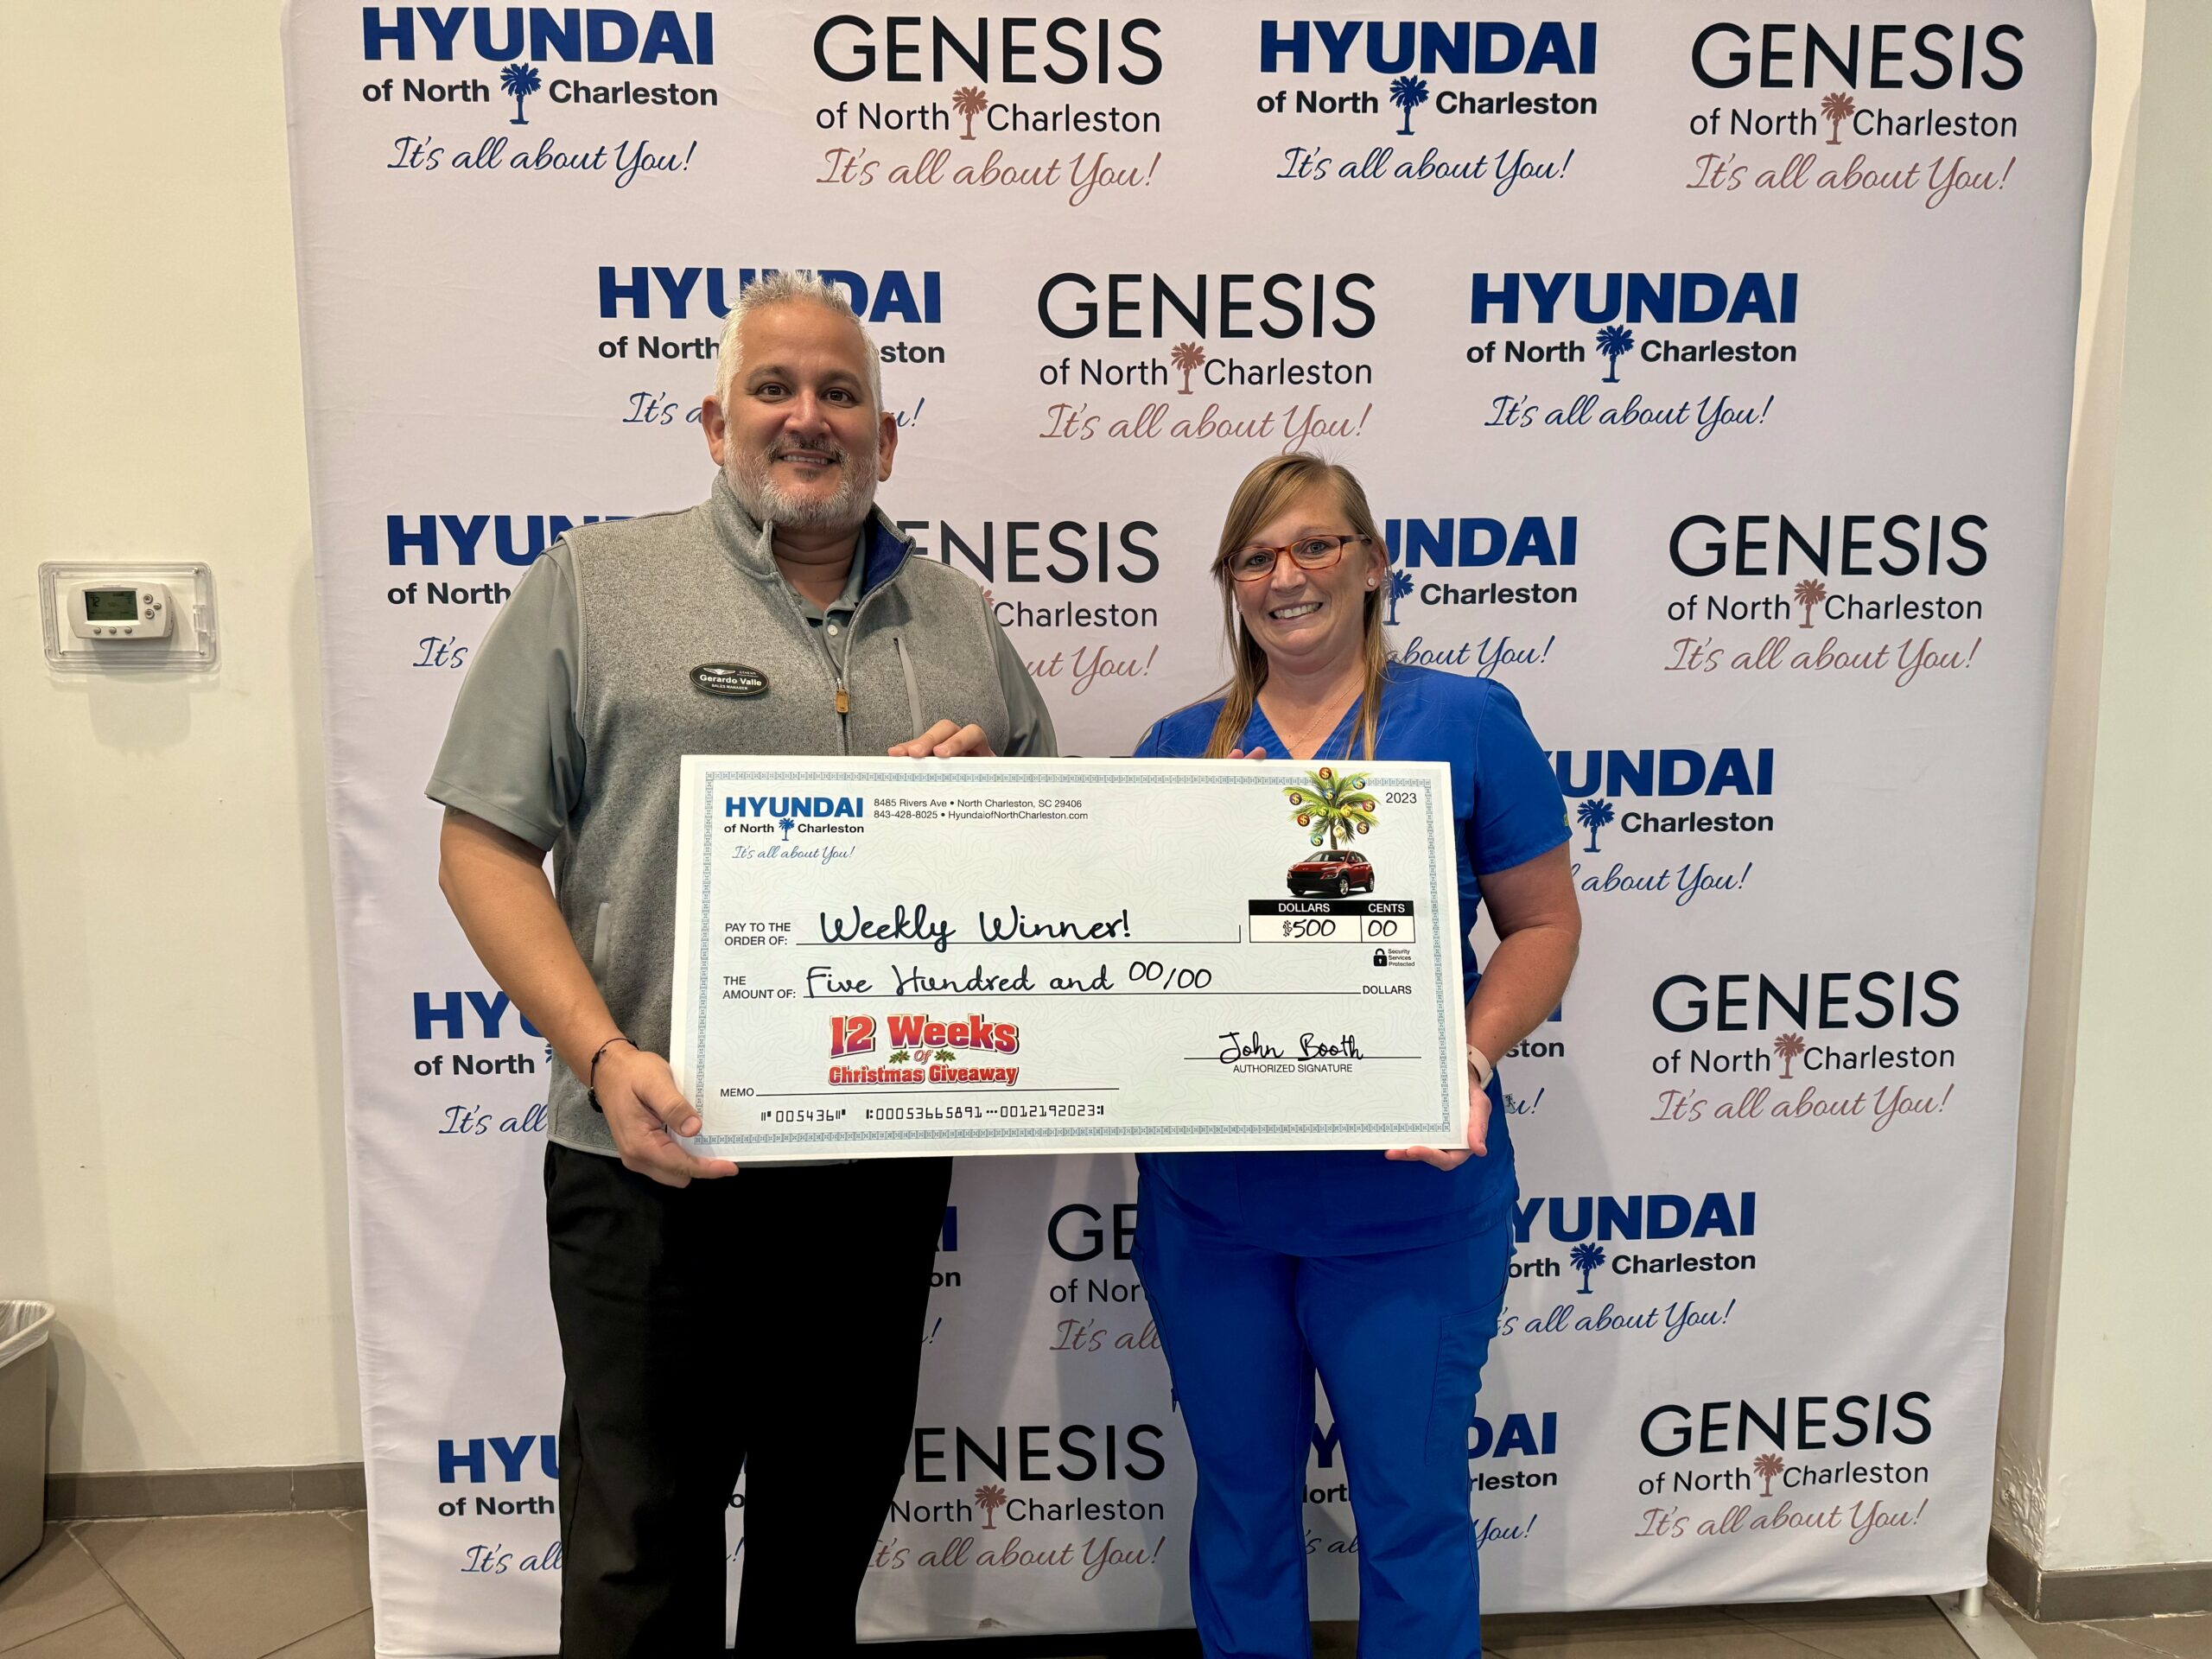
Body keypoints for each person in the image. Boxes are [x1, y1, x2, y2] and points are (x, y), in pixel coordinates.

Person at [428, 270, 1056, 1656]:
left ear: (886, 438)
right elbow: (482, 848)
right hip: (652, 1159)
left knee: (823, 1535)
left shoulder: (961, 621)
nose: (807, 416)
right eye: (774, 388)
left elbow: (1052, 873)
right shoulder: (594, 586)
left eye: (841, 392)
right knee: (639, 1546)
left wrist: (989, 806)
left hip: (874, 1171)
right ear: (717, 423)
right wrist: (602, 1055)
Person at [1129, 453, 1580, 1658]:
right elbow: (1123, 962)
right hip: (1212, 1209)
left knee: (1411, 1510)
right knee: (1242, 1505)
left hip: (1407, 1204)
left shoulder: (1466, 720)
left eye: (1316, 546)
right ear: (1232, 584)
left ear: (1373, 564)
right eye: (1256, 557)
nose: (1287, 576)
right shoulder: (1178, 748)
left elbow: (1543, 926)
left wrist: (1467, 1060)